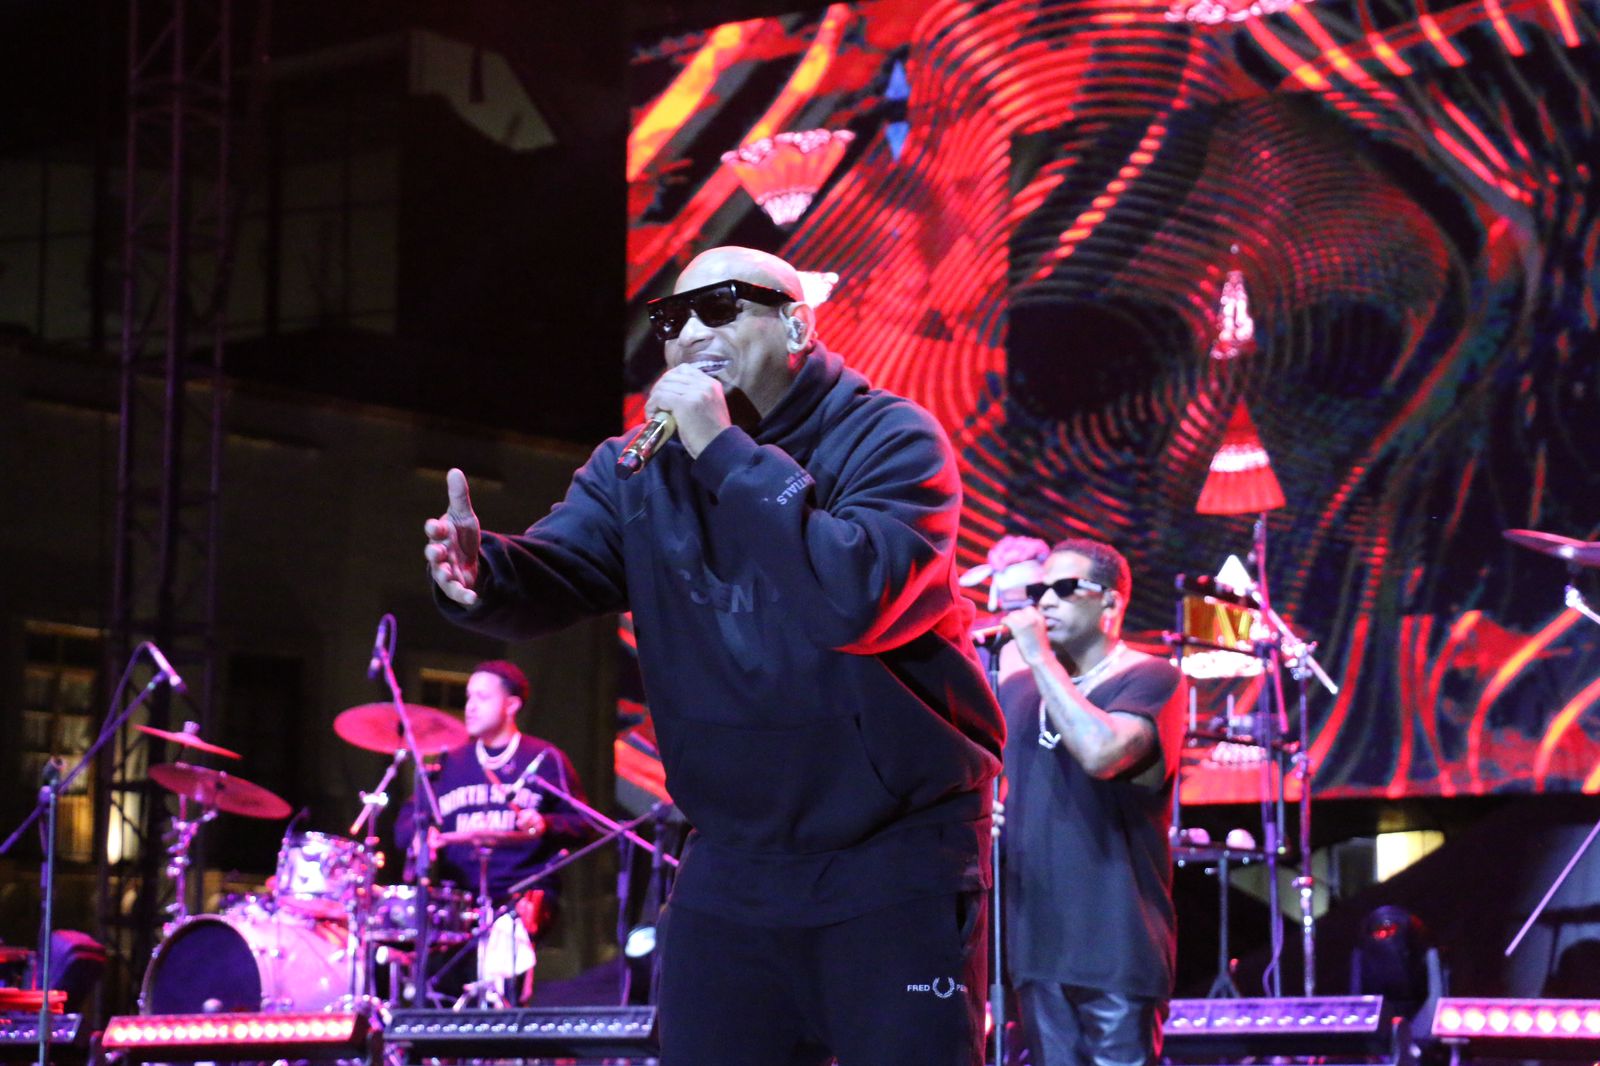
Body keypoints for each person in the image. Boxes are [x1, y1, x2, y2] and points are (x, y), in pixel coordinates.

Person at [424, 246, 1003, 1066]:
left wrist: (722, 449)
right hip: (732, 857)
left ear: (796, 326)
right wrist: (481, 575)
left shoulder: (892, 437)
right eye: (670, 317)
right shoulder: (637, 465)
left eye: (720, 307)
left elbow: (854, 597)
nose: (689, 332)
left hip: (892, 851)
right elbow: (558, 568)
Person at [995, 536, 1186, 1066]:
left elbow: (1102, 753)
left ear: (1111, 601)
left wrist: (1037, 657)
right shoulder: (1018, 691)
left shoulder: (1151, 678)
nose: (1045, 601)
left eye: (1064, 588)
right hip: (1036, 947)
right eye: (1039, 590)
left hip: (1115, 944)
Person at [394, 660, 591, 996]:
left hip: (522, 896)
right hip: (457, 903)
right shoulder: (449, 762)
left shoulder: (545, 759)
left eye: (482, 697)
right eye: (468, 697)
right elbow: (406, 825)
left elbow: (584, 824)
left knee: (501, 964)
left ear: (511, 705)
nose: (470, 706)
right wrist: (420, 836)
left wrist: (545, 823)